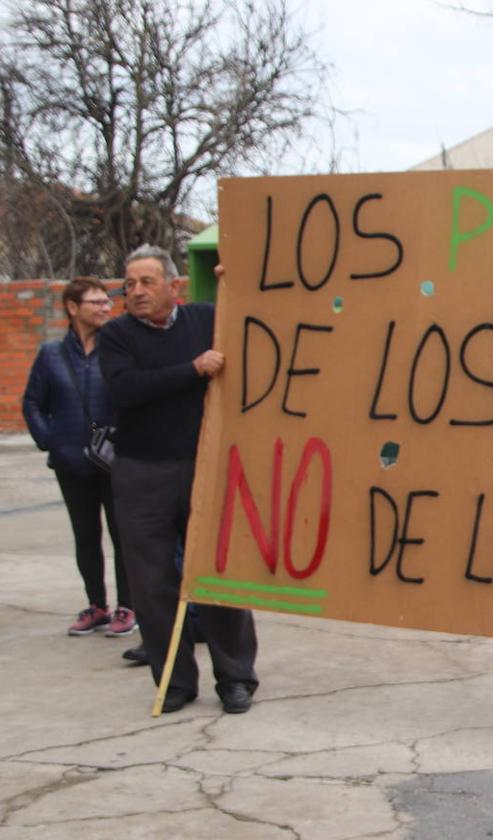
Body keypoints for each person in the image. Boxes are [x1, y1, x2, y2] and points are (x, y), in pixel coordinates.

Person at [98, 244, 258, 714]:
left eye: (147, 282)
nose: (137, 292)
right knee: (152, 581)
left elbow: (251, 321)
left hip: (204, 467)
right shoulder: (117, 336)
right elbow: (126, 389)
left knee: (216, 573)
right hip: (141, 471)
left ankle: (235, 677)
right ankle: (175, 680)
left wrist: (238, 282)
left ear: (174, 285)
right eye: (129, 284)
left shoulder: (203, 319)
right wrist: (192, 370)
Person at [22, 279, 138, 638]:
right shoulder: (51, 354)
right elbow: (32, 403)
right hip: (71, 462)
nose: (106, 308)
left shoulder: (118, 348)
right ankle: (97, 605)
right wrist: (50, 441)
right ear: (73, 308)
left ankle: (127, 607)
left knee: (124, 536)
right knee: (85, 536)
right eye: (96, 302)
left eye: (107, 302)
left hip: (115, 460)